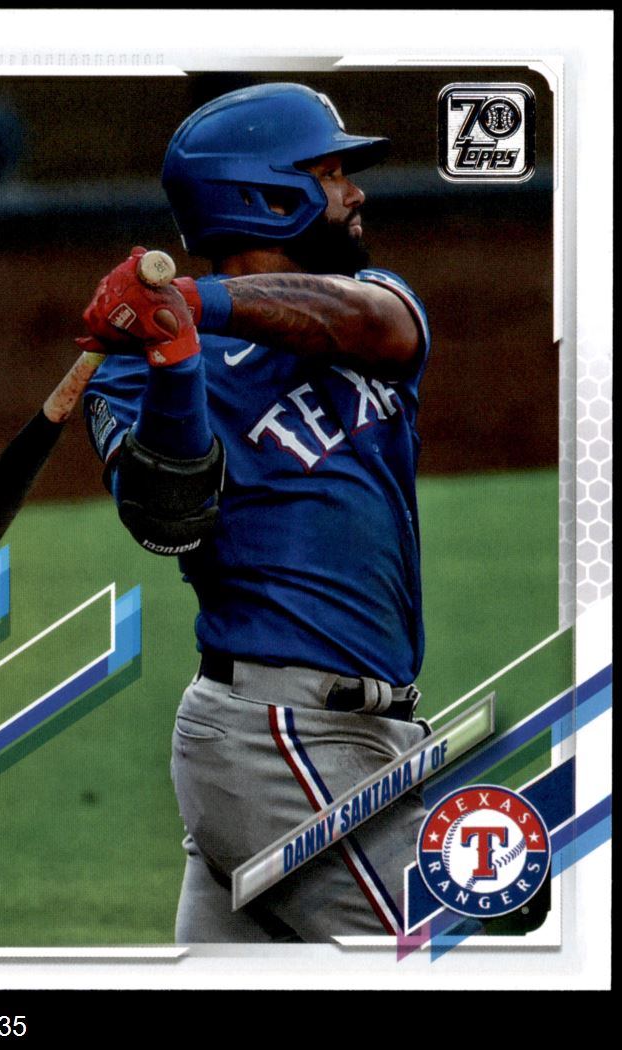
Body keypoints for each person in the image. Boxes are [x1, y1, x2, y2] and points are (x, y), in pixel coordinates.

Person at [80, 82, 431, 942]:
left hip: (349, 741)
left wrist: (195, 305)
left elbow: (379, 327)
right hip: (281, 738)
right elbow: (168, 521)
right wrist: (172, 365)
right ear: (266, 197)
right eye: (331, 173)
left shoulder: (368, 298)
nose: (355, 192)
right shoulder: (126, 372)